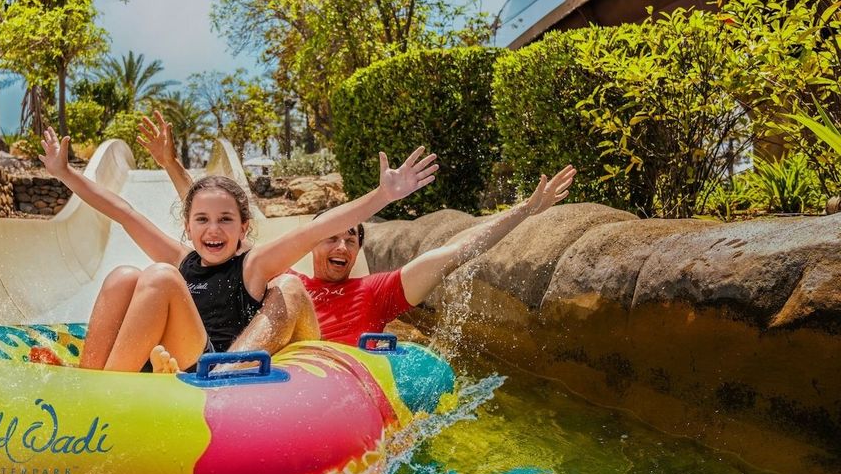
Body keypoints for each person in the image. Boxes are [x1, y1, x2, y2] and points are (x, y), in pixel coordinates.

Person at [39, 124, 438, 373]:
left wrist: (382, 196)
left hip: (211, 362)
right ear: (188, 227)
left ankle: (111, 393)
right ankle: (90, 379)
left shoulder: (252, 266)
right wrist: (65, 173)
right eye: (202, 220)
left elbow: (319, 228)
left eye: (226, 220)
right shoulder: (183, 259)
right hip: (174, 351)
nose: (214, 230)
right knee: (124, 275)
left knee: (159, 276)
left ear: (243, 226)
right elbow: (123, 211)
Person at [249, 165, 579, 347]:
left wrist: (524, 210)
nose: (341, 247)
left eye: (351, 240)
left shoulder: (373, 292)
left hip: (344, 387)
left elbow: (453, 252)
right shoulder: (287, 284)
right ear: (311, 244)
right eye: (330, 239)